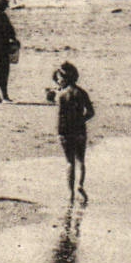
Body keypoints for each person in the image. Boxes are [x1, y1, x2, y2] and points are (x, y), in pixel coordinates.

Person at [53, 62, 95, 205]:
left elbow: (60, 116)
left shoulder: (61, 95)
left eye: (59, 78)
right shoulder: (82, 93)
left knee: (69, 162)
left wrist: (60, 132)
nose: (58, 81)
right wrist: (80, 120)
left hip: (66, 131)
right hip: (79, 130)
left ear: (64, 79)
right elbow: (91, 112)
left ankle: (70, 193)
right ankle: (80, 185)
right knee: (80, 160)